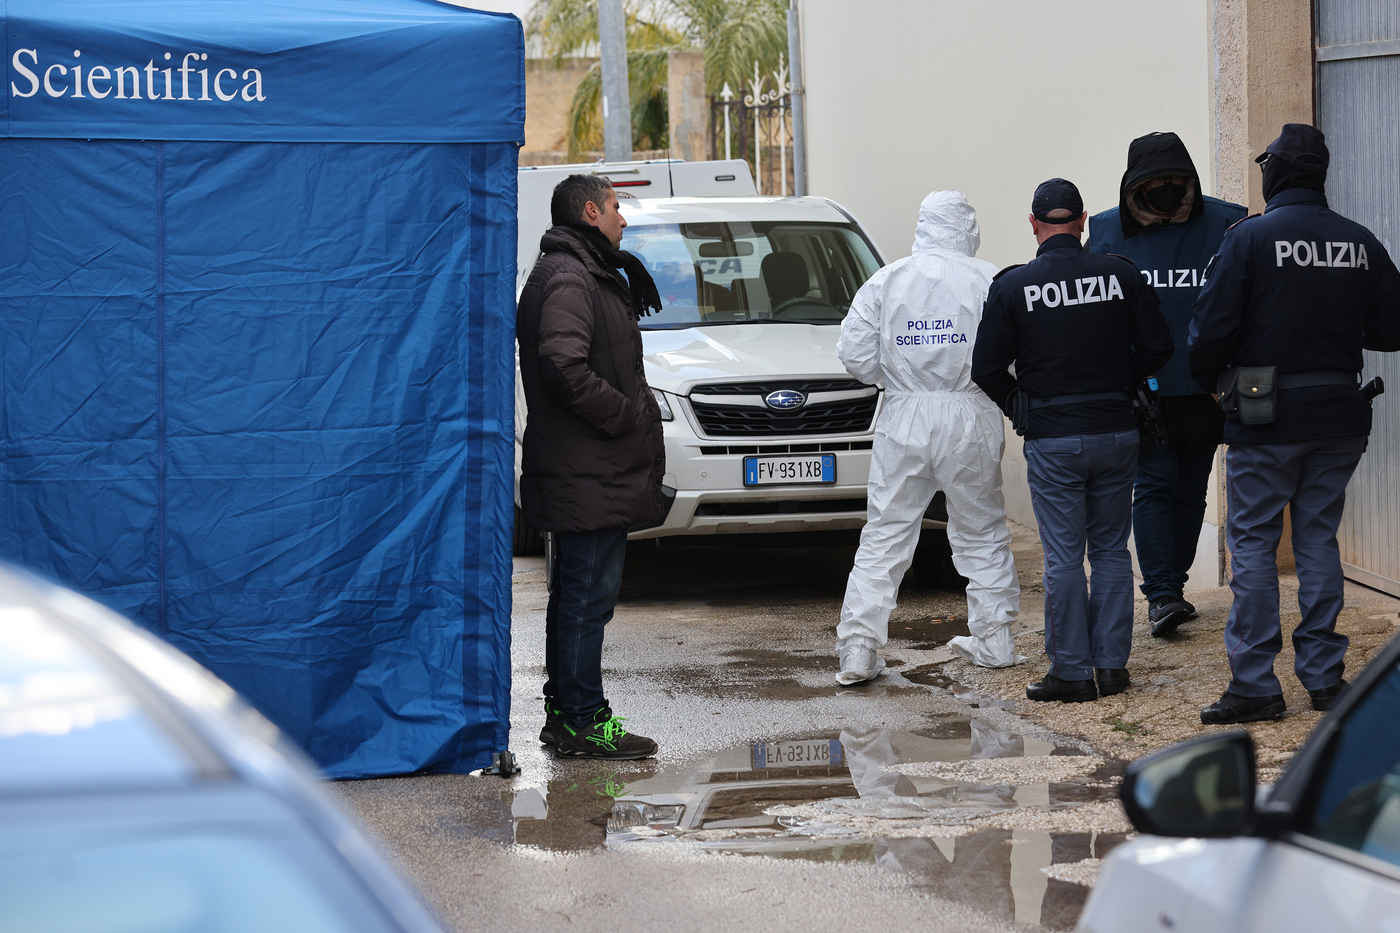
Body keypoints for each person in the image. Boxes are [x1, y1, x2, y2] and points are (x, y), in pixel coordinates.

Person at [1187, 123, 1400, 724]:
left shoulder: (1249, 238)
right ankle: (1326, 679)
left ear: (1274, 172)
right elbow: (1391, 330)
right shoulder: (1360, 241)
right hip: (1339, 413)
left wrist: (1211, 379)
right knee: (1315, 539)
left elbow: (1209, 329)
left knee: (1253, 541)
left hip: (1265, 415)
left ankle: (1255, 684)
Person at [972, 178, 1173, 703]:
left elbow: (985, 367)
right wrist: (1119, 381)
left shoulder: (1014, 286)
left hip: (1054, 436)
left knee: (1063, 556)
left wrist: (1020, 402)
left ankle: (1070, 672)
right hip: (1116, 430)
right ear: (1083, 220)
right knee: (1109, 550)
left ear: (1034, 224)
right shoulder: (1120, 274)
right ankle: (1111, 668)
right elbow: (1159, 347)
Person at [833, 191, 1021, 684]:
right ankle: (996, 639)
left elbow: (852, 353)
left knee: (886, 532)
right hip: (970, 413)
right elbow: (1017, 352)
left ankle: (859, 647)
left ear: (923, 226)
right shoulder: (990, 279)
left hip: (905, 416)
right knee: (981, 527)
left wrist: (896, 378)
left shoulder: (888, 278)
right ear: (968, 228)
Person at [516, 174, 666, 758]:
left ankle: (568, 713)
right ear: (588, 211)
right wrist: (623, 415)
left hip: (591, 470)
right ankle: (580, 719)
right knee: (584, 600)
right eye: (615, 208)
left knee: (577, 598)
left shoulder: (579, 269)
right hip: (589, 469)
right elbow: (562, 362)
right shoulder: (570, 276)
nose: (622, 219)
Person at [1088, 132, 1247, 637]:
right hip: (1143, 388)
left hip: (1207, 385)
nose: (1163, 190)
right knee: (1154, 485)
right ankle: (1161, 594)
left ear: (1189, 181)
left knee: (1192, 490)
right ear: (1134, 186)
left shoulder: (1227, 223)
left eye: (1173, 182)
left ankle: (1172, 587)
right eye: (1152, 183)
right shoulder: (1108, 232)